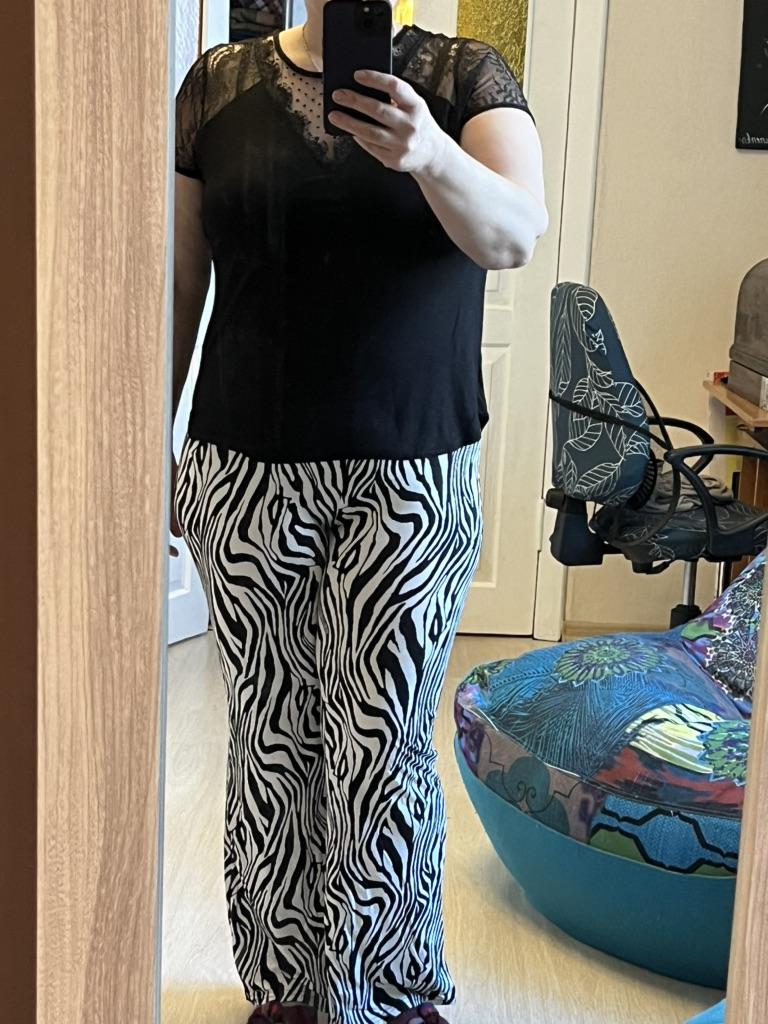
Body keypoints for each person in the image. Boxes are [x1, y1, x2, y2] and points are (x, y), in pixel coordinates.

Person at [172, 3, 547, 1023]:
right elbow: (178, 282)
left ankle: (387, 991)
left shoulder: (465, 80)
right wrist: (145, 444)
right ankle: (288, 992)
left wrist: (430, 153)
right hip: (242, 471)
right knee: (272, 737)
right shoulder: (215, 87)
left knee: (381, 745)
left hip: (411, 477)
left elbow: (516, 234)